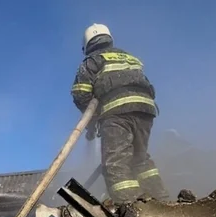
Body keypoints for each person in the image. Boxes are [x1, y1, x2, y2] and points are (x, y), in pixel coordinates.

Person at [71, 23, 169, 204]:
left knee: (115, 163)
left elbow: (80, 94)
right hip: (145, 110)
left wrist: (93, 120)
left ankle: (129, 206)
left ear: (87, 45)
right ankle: (161, 201)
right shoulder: (129, 58)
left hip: (117, 112)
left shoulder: (92, 61)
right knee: (140, 159)